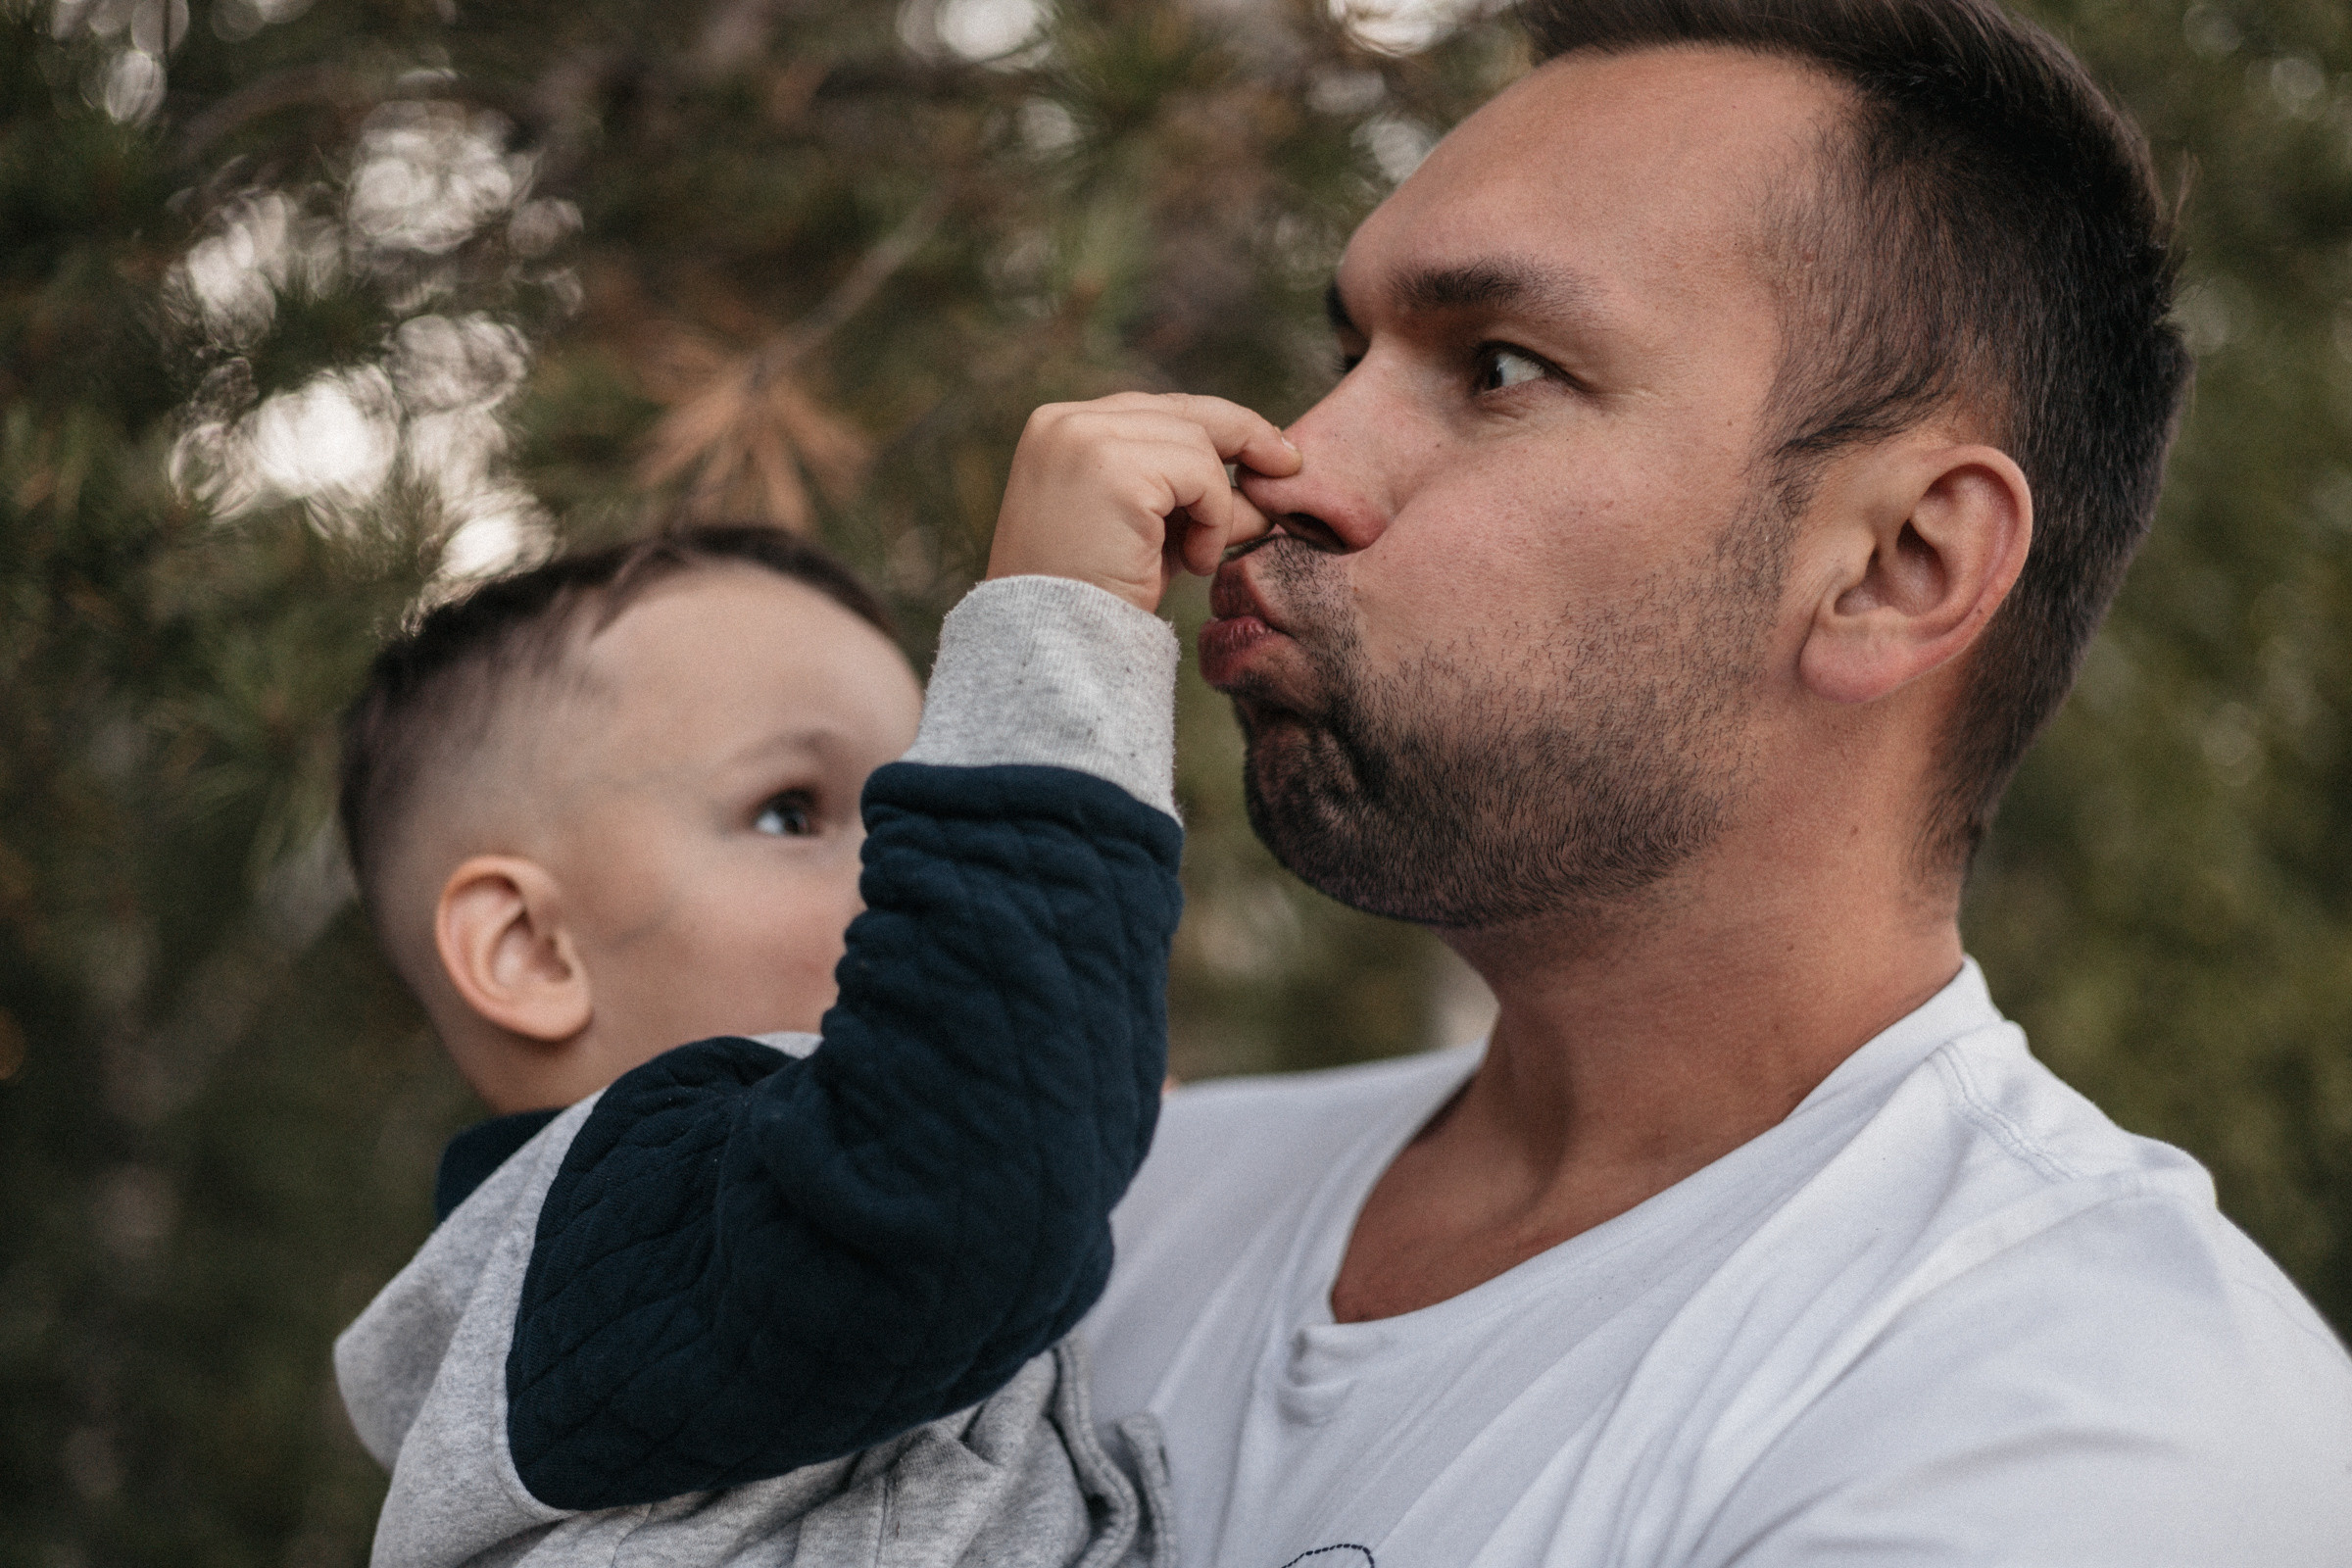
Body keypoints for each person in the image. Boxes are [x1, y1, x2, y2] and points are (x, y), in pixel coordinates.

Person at [1065, 3, 2352, 1564]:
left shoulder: (2093, 1416)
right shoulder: (1105, 1220)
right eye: (1348, 355)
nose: (1291, 467)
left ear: (1897, 566)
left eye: (1501, 367)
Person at [330, 387, 1299, 1567]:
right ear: (531, 950)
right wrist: (1065, 620)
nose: (910, 861)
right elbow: (960, 1191)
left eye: (910, 800)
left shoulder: (680, 1285)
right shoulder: (583, 1259)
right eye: (793, 810)